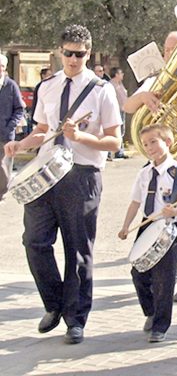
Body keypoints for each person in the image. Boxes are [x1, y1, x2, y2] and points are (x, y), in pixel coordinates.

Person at [4, 24, 122, 344]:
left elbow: (114, 141)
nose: (73, 59)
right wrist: (23, 143)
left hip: (82, 175)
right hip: (47, 175)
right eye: (68, 53)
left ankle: (76, 318)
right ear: (60, 52)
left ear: (89, 53)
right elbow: (43, 129)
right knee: (35, 242)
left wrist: (81, 137)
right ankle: (54, 303)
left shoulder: (102, 90)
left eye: (80, 54)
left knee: (78, 249)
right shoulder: (48, 86)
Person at [124, 31, 177, 303]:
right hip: (161, 163)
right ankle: (161, 273)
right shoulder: (154, 82)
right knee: (162, 216)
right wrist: (144, 98)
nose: (171, 55)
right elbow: (128, 106)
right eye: (167, 50)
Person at [117, 124, 177, 343]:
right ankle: (150, 311)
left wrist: (175, 210)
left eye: (154, 142)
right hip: (147, 225)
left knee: (164, 279)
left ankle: (160, 325)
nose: (149, 147)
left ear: (167, 142)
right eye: (146, 144)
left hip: (170, 226)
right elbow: (135, 202)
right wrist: (125, 225)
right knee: (138, 273)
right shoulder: (144, 173)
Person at [0, 54, 25, 200]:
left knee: (3, 167)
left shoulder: (11, 86)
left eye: (1, 66)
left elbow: (19, 109)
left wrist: (10, 127)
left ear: (5, 68)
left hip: (5, 134)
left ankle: (2, 193)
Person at [109, 67, 128, 159]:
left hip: (122, 110)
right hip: (114, 111)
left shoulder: (120, 84)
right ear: (116, 74)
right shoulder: (110, 85)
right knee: (114, 130)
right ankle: (109, 153)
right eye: (121, 73)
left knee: (121, 131)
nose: (122, 75)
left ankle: (119, 152)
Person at [30, 67, 54, 134]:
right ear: (43, 75)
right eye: (49, 74)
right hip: (40, 116)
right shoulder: (41, 86)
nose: (51, 76)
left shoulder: (52, 85)